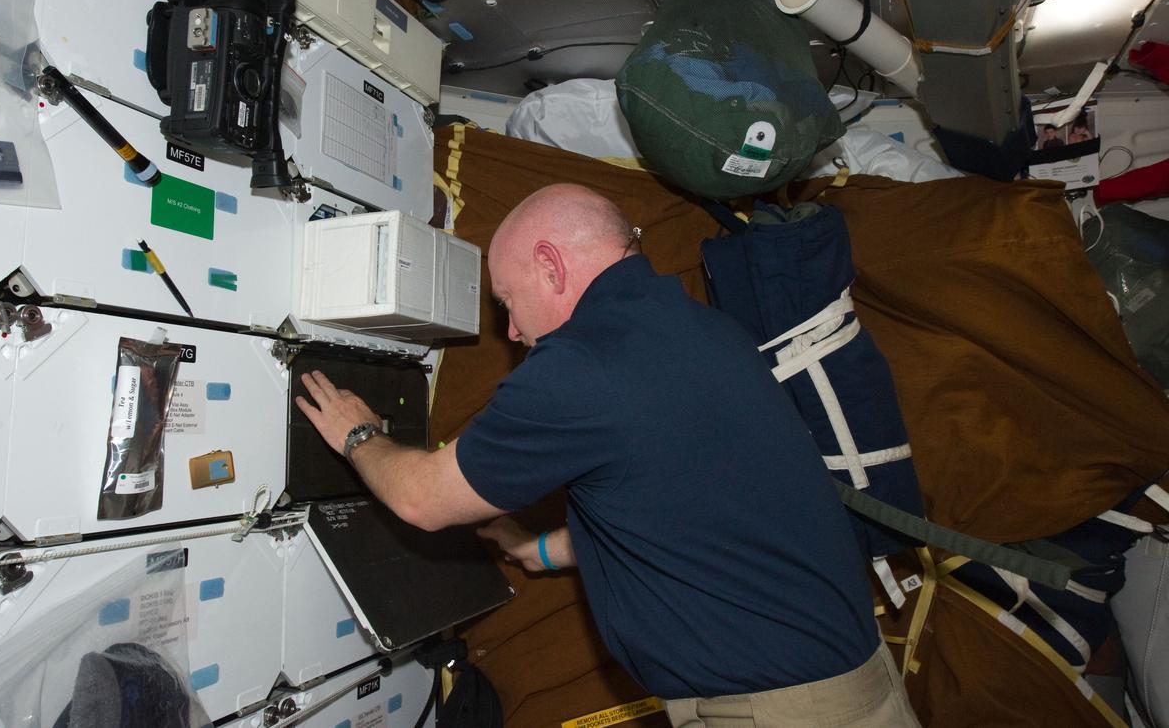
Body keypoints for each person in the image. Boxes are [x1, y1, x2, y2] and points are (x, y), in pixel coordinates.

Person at [295, 184, 920, 727]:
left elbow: (421, 498)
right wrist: (536, 549)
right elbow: (680, 508)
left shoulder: (580, 366)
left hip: (779, 712)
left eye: (508, 302)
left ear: (550, 266)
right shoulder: (705, 329)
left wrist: (360, 434)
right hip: (853, 685)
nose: (512, 332)